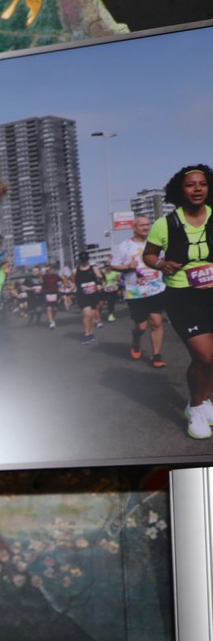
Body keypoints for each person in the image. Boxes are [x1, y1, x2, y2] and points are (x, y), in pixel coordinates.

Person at [144, 164, 213, 438]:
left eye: (202, 184)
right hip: (182, 296)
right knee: (205, 356)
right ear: (180, 190)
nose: (197, 189)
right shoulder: (165, 224)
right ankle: (195, 408)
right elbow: (148, 255)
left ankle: (205, 400)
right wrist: (160, 264)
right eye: (190, 184)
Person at [110, 214, 167, 368]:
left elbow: (163, 260)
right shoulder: (125, 246)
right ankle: (136, 337)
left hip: (156, 288)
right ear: (134, 228)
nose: (146, 227)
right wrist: (128, 266)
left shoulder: (157, 243)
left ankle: (156, 355)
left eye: (148, 224)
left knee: (156, 321)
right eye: (142, 225)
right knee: (142, 326)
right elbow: (113, 265)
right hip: (135, 291)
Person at [73, 253, 103, 346]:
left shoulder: (93, 268)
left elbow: (100, 276)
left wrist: (99, 277)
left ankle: (91, 333)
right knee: (87, 314)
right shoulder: (76, 270)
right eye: (82, 260)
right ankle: (86, 334)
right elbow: (74, 282)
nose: (84, 261)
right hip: (83, 295)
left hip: (93, 294)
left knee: (92, 315)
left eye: (85, 260)